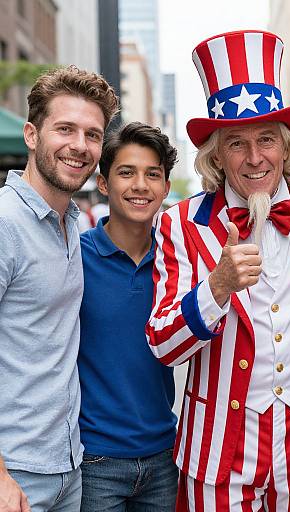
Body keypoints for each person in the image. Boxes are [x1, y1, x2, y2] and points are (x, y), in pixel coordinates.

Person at [146, 30, 290, 511]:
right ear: (215, 155)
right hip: (218, 450)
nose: (255, 158)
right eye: (237, 143)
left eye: (267, 140)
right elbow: (164, 346)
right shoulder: (180, 222)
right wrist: (217, 286)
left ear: (287, 146)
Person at [0, 66, 118, 512]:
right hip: (15, 476)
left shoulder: (72, 222)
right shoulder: (5, 223)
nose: (80, 146)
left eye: (92, 134)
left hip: (70, 466)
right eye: (65, 129)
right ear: (31, 135)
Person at [78, 122, 179, 511]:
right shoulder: (75, 256)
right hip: (95, 460)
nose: (141, 185)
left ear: (166, 188)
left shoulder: (178, 261)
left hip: (164, 456)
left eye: (152, 174)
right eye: (127, 172)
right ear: (103, 183)